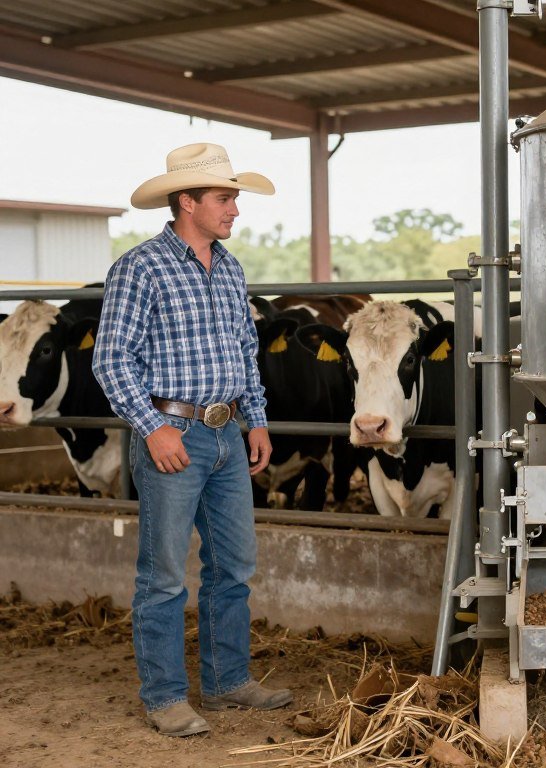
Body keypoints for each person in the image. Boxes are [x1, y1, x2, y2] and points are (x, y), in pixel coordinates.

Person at [93, 143, 291, 737]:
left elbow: (243, 352)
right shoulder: (140, 266)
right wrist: (151, 429)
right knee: (163, 575)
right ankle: (164, 696)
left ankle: (228, 681)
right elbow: (111, 360)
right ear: (187, 202)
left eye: (234, 198)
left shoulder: (229, 268)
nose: (235, 209)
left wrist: (254, 418)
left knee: (234, 565)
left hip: (228, 432)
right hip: (172, 432)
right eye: (225, 197)